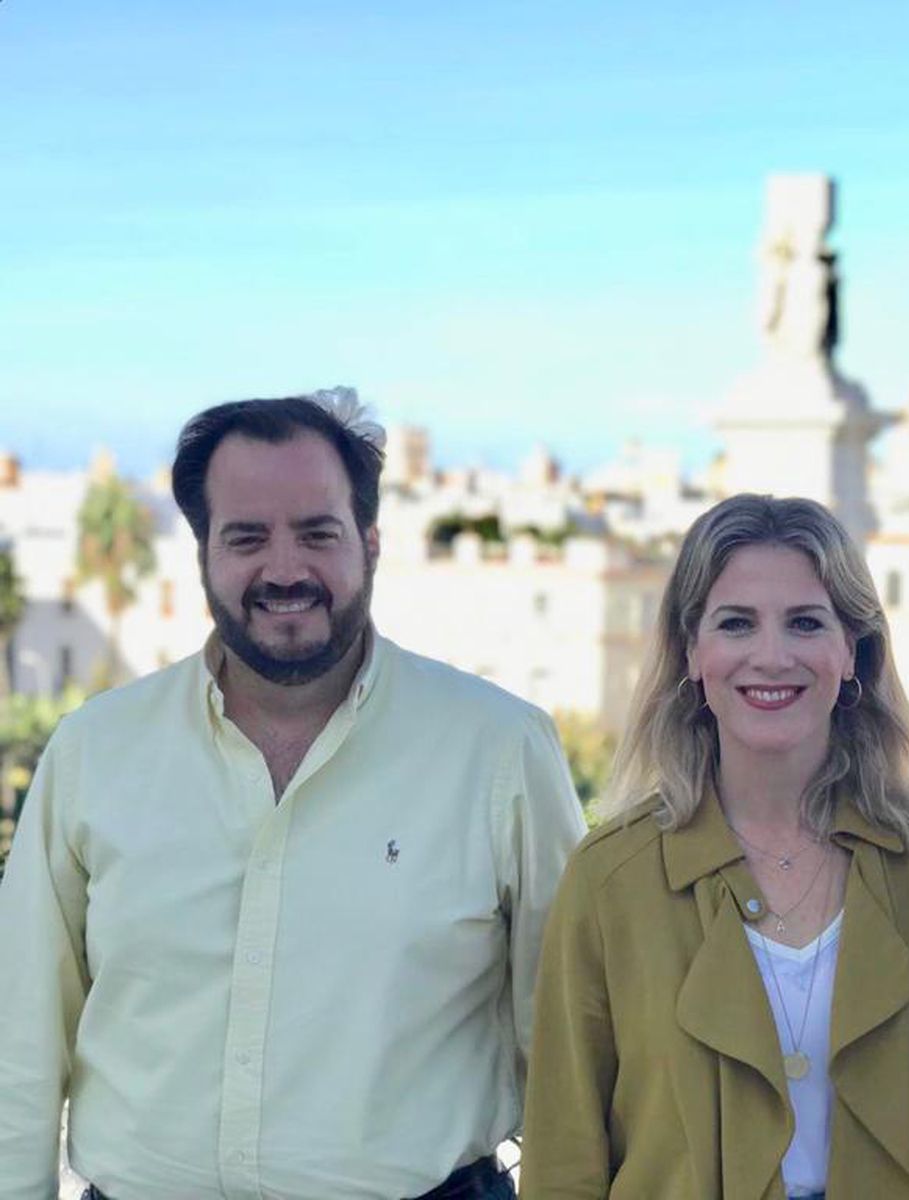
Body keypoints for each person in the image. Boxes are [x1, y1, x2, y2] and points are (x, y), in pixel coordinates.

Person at [0, 395, 587, 1200]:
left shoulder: (501, 750)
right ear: (203, 552)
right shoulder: (94, 752)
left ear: (370, 543)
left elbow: (566, 1044)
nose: (284, 570)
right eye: (247, 537)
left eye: (317, 533)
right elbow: (19, 1036)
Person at [523, 493, 909, 1199]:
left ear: (852, 651)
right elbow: (561, 1166)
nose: (772, 657)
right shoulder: (610, 880)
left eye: (806, 622)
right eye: (736, 623)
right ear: (692, 652)